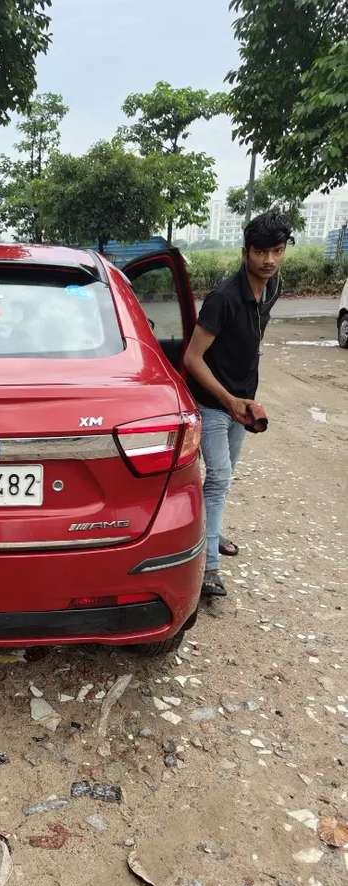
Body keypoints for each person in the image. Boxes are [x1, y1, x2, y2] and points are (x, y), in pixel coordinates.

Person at [183, 210, 294, 597]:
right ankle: (209, 566)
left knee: (223, 479)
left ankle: (209, 534)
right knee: (218, 478)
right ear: (246, 251)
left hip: (242, 403)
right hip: (214, 402)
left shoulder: (273, 285)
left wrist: (243, 398)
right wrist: (227, 398)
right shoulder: (223, 299)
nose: (269, 260)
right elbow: (191, 358)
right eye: (261, 252)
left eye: (277, 251)